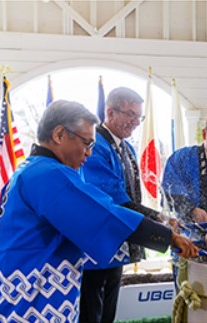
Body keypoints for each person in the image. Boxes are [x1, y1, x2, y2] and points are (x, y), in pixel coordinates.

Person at [0, 100, 198, 322]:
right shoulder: (48, 174)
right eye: (87, 143)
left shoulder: (29, 169)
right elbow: (103, 212)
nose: (88, 154)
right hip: (29, 289)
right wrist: (167, 236)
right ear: (59, 135)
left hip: (14, 280)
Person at [79, 87, 166, 322]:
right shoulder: (95, 145)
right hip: (96, 246)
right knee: (91, 313)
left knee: (108, 312)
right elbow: (112, 199)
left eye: (139, 116)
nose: (136, 122)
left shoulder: (125, 147)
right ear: (110, 112)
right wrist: (160, 220)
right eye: (130, 114)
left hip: (118, 243)